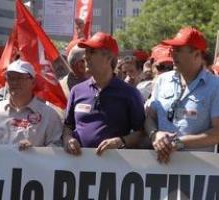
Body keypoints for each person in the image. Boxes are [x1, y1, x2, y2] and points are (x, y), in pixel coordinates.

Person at [63, 32, 145, 156]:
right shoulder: (77, 91)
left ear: (108, 58)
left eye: (92, 52)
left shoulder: (129, 93)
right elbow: (68, 126)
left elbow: (141, 133)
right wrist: (68, 139)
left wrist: (121, 141)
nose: (86, 57)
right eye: (86, 52)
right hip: (78, 166)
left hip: (113, 168)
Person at [145, 27, 219, 163]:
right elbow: (149, 118)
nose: (172, 53)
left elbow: (217, 133)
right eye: (172, 49)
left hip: (195, 173)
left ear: (197, 54)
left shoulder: (215, 86)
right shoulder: (162, 80)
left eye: (178, 50)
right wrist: (155, 135)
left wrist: (179, 142)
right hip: (158, 169)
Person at [0, 59, 62, 150]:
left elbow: (57, 146)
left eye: (20, 78)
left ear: (33, 82)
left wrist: (36, 151)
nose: (15, 82)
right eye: (11, 78)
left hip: (32, 164)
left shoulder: (49, 115)